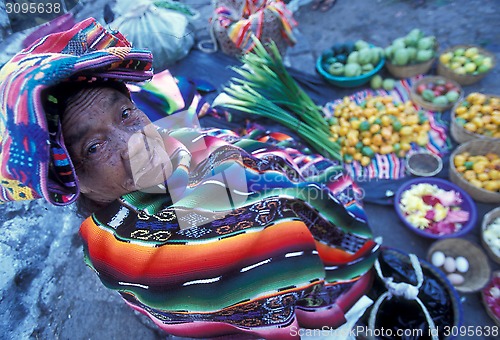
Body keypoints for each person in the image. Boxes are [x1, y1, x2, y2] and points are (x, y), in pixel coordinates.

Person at [0, 18, 378, 338]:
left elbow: (261, 168)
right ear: (66, 179)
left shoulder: (185, 148)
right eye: (94, 148)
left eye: (126, 114)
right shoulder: (128, 255)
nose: (135, 142)